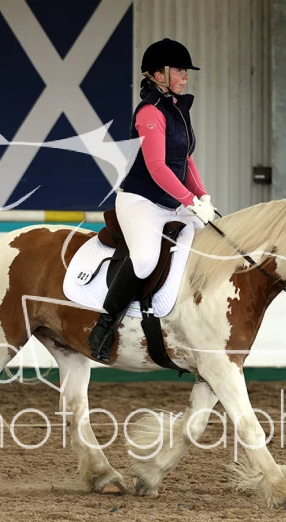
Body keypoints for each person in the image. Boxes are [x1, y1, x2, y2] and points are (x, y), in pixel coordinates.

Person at [87, 38, 217, 363]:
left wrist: (202, 196)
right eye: (180, 70)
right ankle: (103, 328)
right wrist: (189, 200)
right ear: (159, 76)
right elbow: (157, 167)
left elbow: (186, 160)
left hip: (171, 202)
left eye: (186, 71)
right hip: (140, 201)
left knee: (210, 235)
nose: (186, 76)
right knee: (145, 260)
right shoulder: (149, 112)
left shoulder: (178, 109)